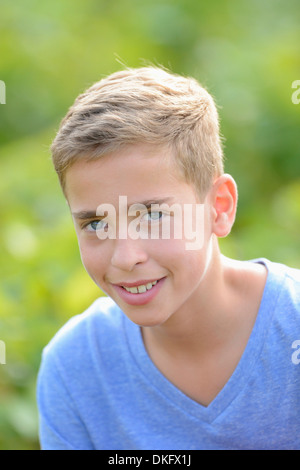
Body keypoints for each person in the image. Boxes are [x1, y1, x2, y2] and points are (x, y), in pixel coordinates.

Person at [37, 66, 300, 450]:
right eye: (96, 223)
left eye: (153, 216)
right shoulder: (74, 369)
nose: (126, 257)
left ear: (219, 207)